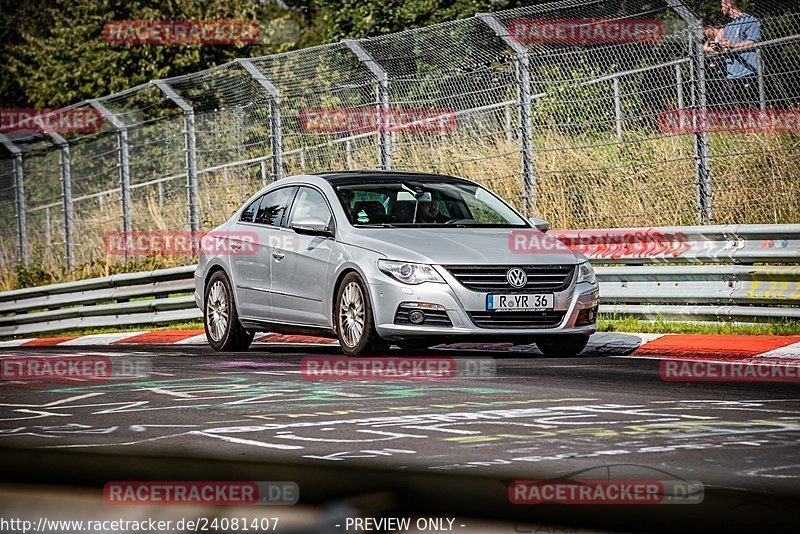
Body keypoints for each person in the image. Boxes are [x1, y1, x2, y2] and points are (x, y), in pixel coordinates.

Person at [718, 0, 762, 108]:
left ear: (729, 4)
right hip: (732, 73)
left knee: (753, 105)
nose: (721, 9)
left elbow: (753, 41)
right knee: (732, 105)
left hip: (749, 71)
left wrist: (733, 45)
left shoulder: (749, 20)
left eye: (722, 5)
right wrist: (719, 47)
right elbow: (725, 44)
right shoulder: (728, 26)